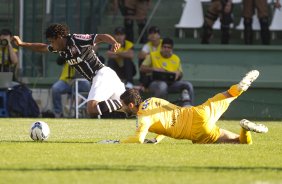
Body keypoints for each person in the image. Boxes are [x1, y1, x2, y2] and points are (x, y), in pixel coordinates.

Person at [99, 70, 268, 144]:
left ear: (130, 105)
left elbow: (138, 139)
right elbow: (170, 117)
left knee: (238, 142)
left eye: (123, 106)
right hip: (199, 113)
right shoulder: (153, 100)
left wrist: (115, 142)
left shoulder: (143, 116)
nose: (122, 108)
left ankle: (244, 129)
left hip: (197, 132)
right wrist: (157, 139)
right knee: (229, 94)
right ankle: (240, 89)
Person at [13, 23, 125, 117]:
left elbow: (100, 37)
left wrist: (114, 42)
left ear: (59, 37)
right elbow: (42, 47)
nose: (51, 44)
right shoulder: (60, 49)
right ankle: (127, 106)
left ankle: (122, 104)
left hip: (101, 74)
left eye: (52, 41)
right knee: (127, 108)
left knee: (91, 108)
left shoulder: (76, 39)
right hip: (103, 77)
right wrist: (22, 44)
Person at [140, 37, 194, 106]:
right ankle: (158, 109)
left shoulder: (176, 58)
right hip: (155, 83)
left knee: (188, 85)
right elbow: (142, 68)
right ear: (161, 47)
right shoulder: (153, 55)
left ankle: (189, 108)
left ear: (171, 49)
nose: (166, 49)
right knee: (163, 85)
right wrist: (154, 69)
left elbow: (180, 73)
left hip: (172, 84)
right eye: (164, 47)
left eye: (168, 47)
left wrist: (178, 73)